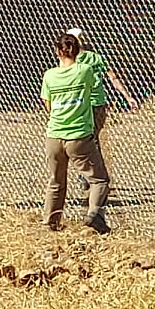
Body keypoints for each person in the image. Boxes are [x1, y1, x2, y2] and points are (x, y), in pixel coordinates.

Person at [62, 25, 138, 232]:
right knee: (92, 138)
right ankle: (90, 175)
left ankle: (86, 174)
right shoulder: (97, 58)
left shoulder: (73, 60)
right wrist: (127, 96)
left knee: (84, 139)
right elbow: (113, 78)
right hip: (99, 104)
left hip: (83, 104)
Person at [41, 32, 112, 232]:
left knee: (56, 181)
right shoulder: (85, 71)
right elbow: (93, 92)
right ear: (78, 50)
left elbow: (48, 105)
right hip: (79, 135)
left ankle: (50, 223)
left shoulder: (49, 75)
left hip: (54, 135)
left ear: (57, 51)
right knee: (99, 180)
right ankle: (94, 215)